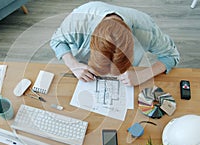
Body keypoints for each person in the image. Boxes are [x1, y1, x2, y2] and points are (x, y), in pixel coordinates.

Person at [50, 1, 180, 86]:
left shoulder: (146, 31)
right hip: (81, 72)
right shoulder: (78, 20)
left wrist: (142, 75)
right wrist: (73, 65)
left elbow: (172, 56)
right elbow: (57, 40)